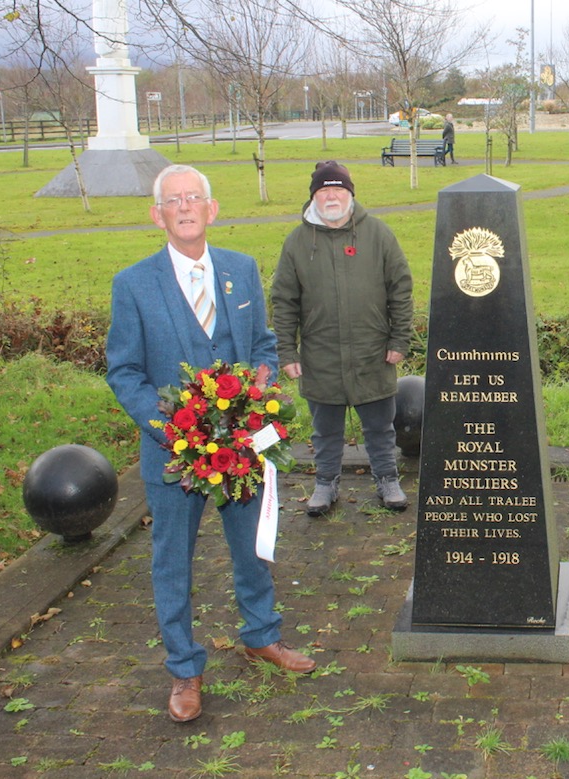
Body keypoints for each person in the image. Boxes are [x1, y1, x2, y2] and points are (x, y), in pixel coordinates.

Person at [106, 164, 317, 724]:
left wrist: (261, 391)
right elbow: (124, 371)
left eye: (193, 197)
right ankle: (184, 668)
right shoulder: (133, 284)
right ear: (158, 215)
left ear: (212, 208)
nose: (184, 206)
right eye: (172, 200)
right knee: (172, 561)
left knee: (252, 545)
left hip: (241, 450)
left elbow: (265, 346)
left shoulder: (241, 271)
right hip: (173, 455)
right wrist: (172, 428)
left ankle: (261, 635)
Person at [272, 161, 415, 516]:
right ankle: (325, 483)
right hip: (321, 356)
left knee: (380, 427)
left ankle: (387, 479)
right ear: (314, 197)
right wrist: (287, 351)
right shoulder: (297, 242)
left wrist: (399, 340)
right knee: (325, 431)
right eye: (324, 190)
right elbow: (284, 300)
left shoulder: (378, 234)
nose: (331, 196)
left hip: (373, 353)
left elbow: (401, 288)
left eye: (338, 189)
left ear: (350, 194)